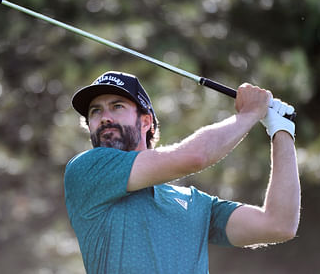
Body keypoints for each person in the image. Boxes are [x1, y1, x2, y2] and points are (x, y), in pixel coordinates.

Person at [64, 71, 300, 273]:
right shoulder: (87, 170)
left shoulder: (195, 203)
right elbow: (194, 157)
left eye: (117, 106)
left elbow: (279, 224)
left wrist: (281, 130)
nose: (104, 118)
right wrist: (249, 114)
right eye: (95, 111)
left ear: (145, 121)